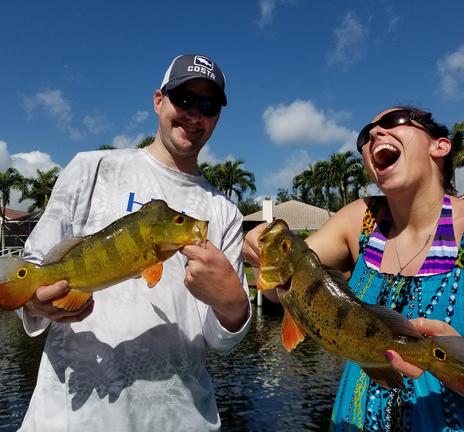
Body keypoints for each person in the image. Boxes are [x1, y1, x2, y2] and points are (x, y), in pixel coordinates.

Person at [17, 54, 251, 432]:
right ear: (159, 100)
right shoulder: (91, 168)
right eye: (184, 99)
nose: (194, 114)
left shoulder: (223, 213)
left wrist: (234, 304)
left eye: (207, 105)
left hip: (180, 419)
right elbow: (35, 263)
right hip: (70, 417)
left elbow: (220, 339)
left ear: (216, 118)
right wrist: (34, 302)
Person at [243, 106, 464, 431]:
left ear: (439, 146)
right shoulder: (359, 218)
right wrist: (259, 252)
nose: (374, 134)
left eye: (392, 123)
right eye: (365, 135)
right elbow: (287, 290)